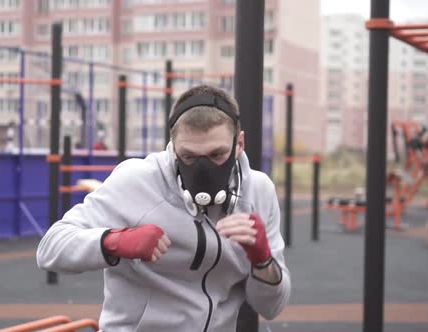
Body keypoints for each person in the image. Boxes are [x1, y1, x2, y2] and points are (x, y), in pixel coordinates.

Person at [36, 85, 291, 331]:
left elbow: (271, 306)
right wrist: (113, 242)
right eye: (189, 156)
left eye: (217, 155)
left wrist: (263, 260)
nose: (204, 169)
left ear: (240, 144)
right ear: (172, 147)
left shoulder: (258, 191)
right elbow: (50, 248)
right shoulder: (137, 181)